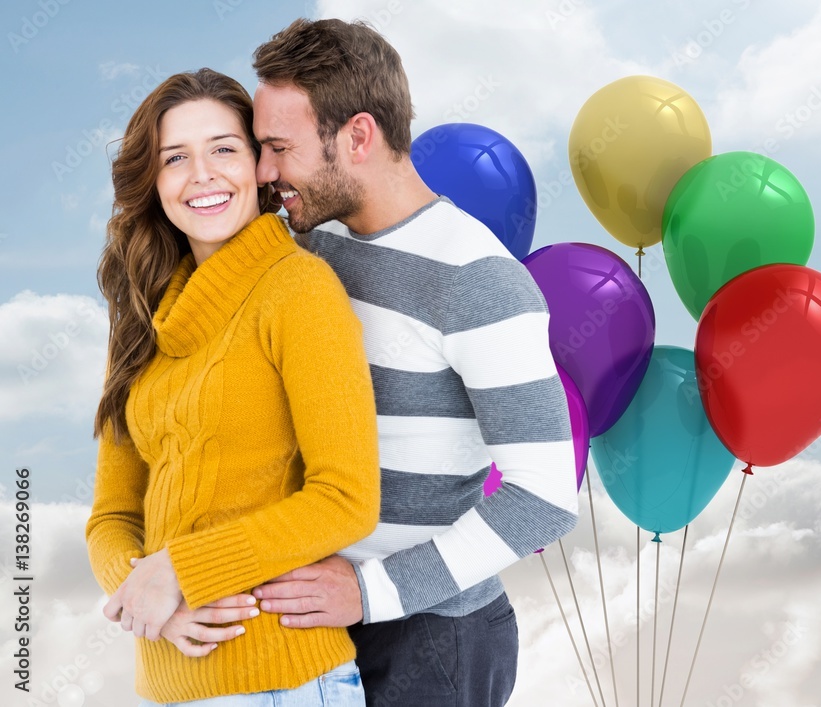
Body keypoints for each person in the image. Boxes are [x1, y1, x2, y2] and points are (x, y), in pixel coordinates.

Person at [246, 19, 580, 706]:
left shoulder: (476, 278)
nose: (264, 171)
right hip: (314, 625)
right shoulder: (311, 244)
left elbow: (544, 496)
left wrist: (369, 591)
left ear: (358, 137)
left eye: (281, 148)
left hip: (432, 639)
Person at [85, 67, 381, 706]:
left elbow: (346, 498)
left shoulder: (298, 292)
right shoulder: (139, 319)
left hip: (286, 683)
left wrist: (181, 571)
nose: (203, 175)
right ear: (153, 181)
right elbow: (112, 516)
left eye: (224, 149)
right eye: (175, 158)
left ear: (258, 168)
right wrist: (151, 600)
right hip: (166, 685)